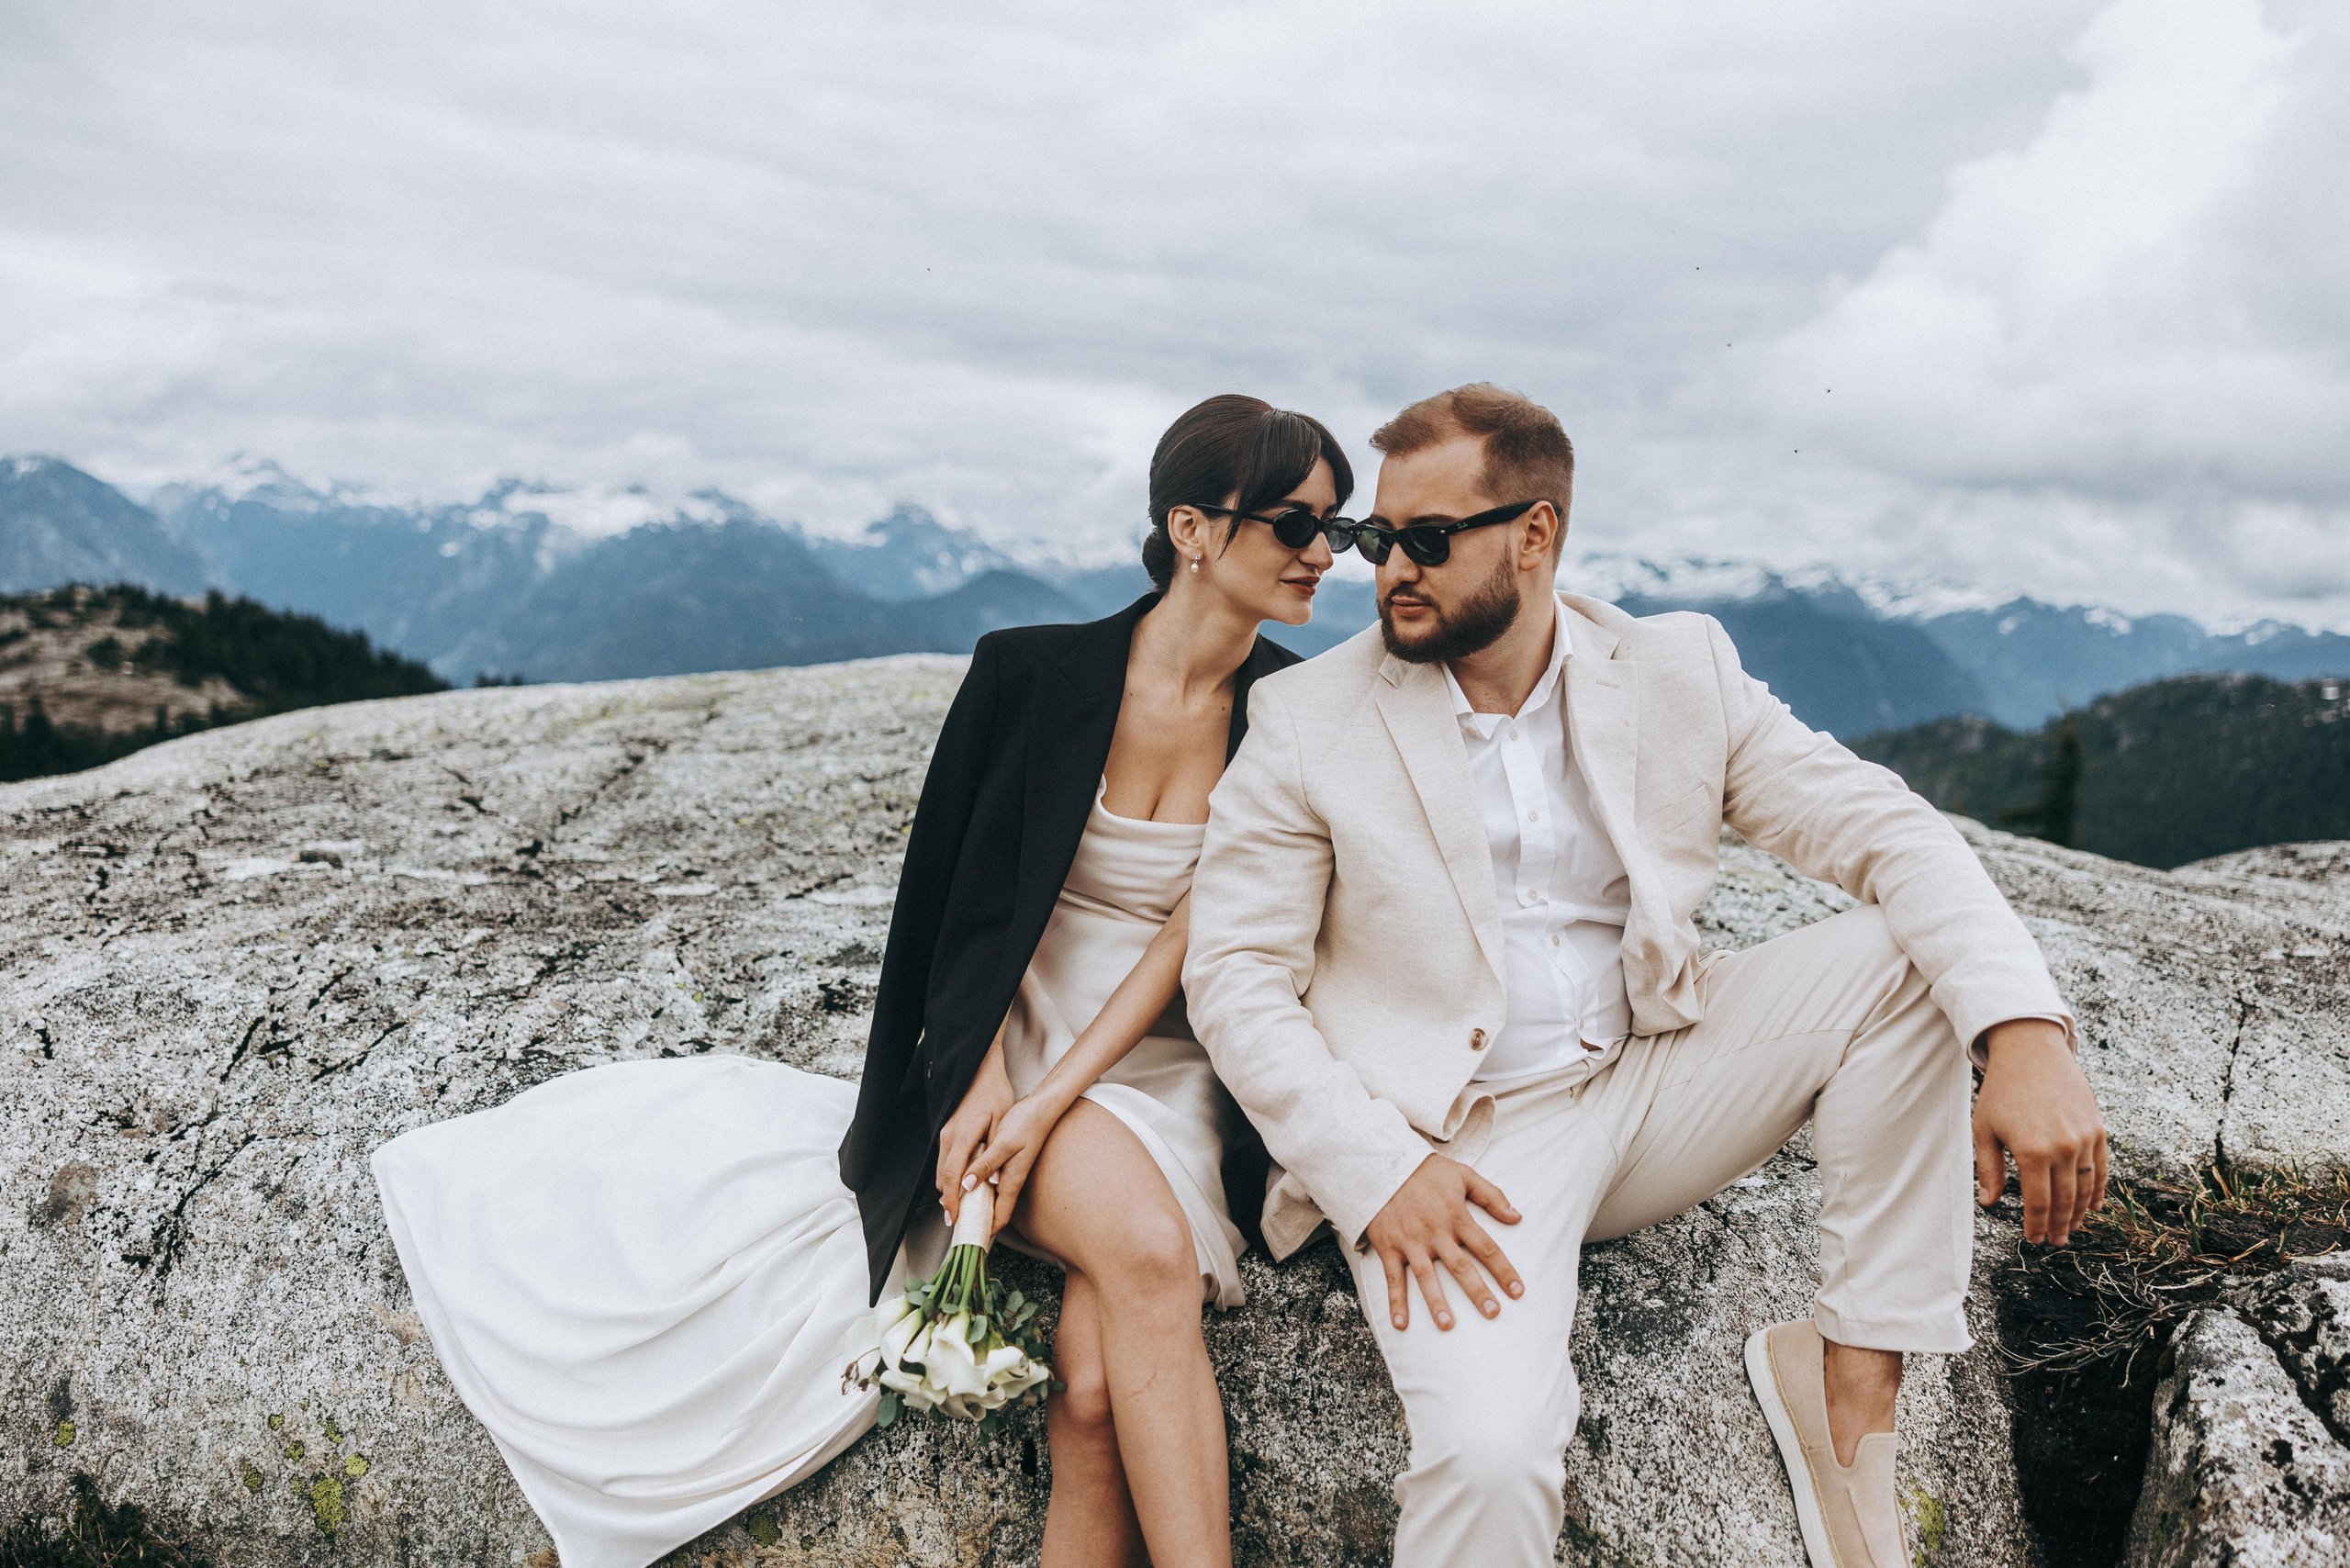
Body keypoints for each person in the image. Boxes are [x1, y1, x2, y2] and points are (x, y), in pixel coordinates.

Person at [374, 392, 1353, 1568]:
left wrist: (1049, 1106)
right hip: (1009, 1038)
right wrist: (981, 1078)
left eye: (1336, 528)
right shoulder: (1029, 672)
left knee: (1096, 1389)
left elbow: (1193, 940)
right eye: (1295, 524)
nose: (1322, 553)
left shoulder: (1293, 715)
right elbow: (949, 902)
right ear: (1190, 528)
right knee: (1144, 1259)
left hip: (1162, 1062)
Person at [1181, 383, 2109, 1568]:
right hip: (1461, 1147)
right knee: (1490, 1461)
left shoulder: (1677, 666)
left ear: (1536, 534)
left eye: (1428, 540)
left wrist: (2024, 1030)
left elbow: (1884, 828)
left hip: (1658, 1070)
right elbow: (1235, 979)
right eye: (1378, 538)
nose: (1390, 570)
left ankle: (1848, 1402)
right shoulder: (1308, 718)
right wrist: (1378, 1171)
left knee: (1904, 959)